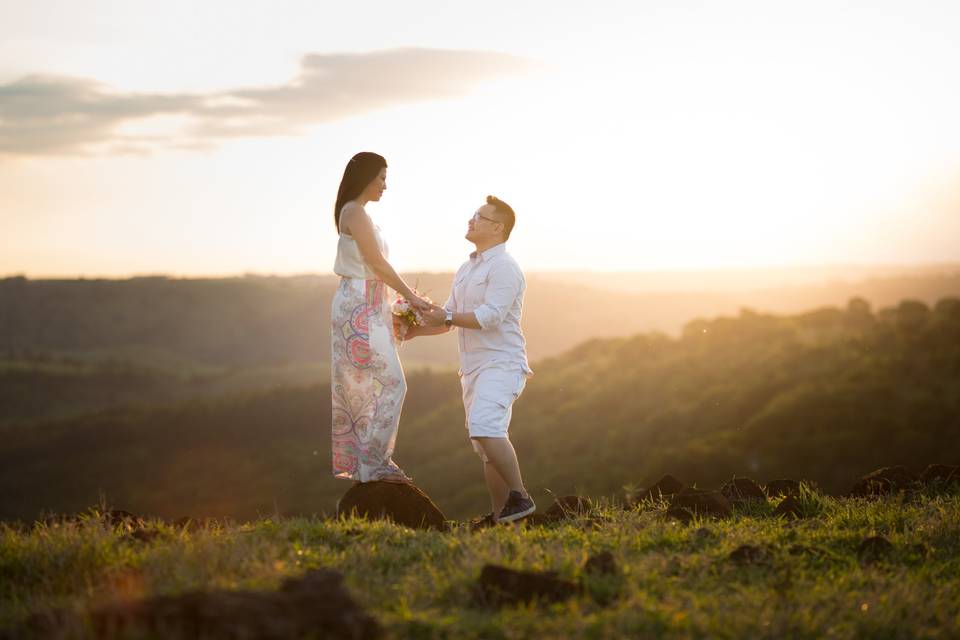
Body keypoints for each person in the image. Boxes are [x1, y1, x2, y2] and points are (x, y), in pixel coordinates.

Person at [403, 195, 536, 523]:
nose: (470, 220)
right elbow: (449, 320)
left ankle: (521, 496)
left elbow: (489, 316)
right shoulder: (466, 268)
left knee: (484, 427)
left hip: (502, 363)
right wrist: (413, 331)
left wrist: (445, 316)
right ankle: (502, 518)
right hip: (473, 369)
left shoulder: (505, 266)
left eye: (479, 216)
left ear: (497, 227)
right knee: (487, 450)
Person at [330, 152, 430, 484]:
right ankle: (374, 462)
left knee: (373, 384)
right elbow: (376, 263)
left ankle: (370, 462)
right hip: (359, 304)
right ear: (368, 177)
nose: (386, 185)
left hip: (369, 302)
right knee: (393, 383)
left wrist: (392, 310)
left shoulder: (360, 214)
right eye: (382, 178)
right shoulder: (355, 212)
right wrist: (412, 298)